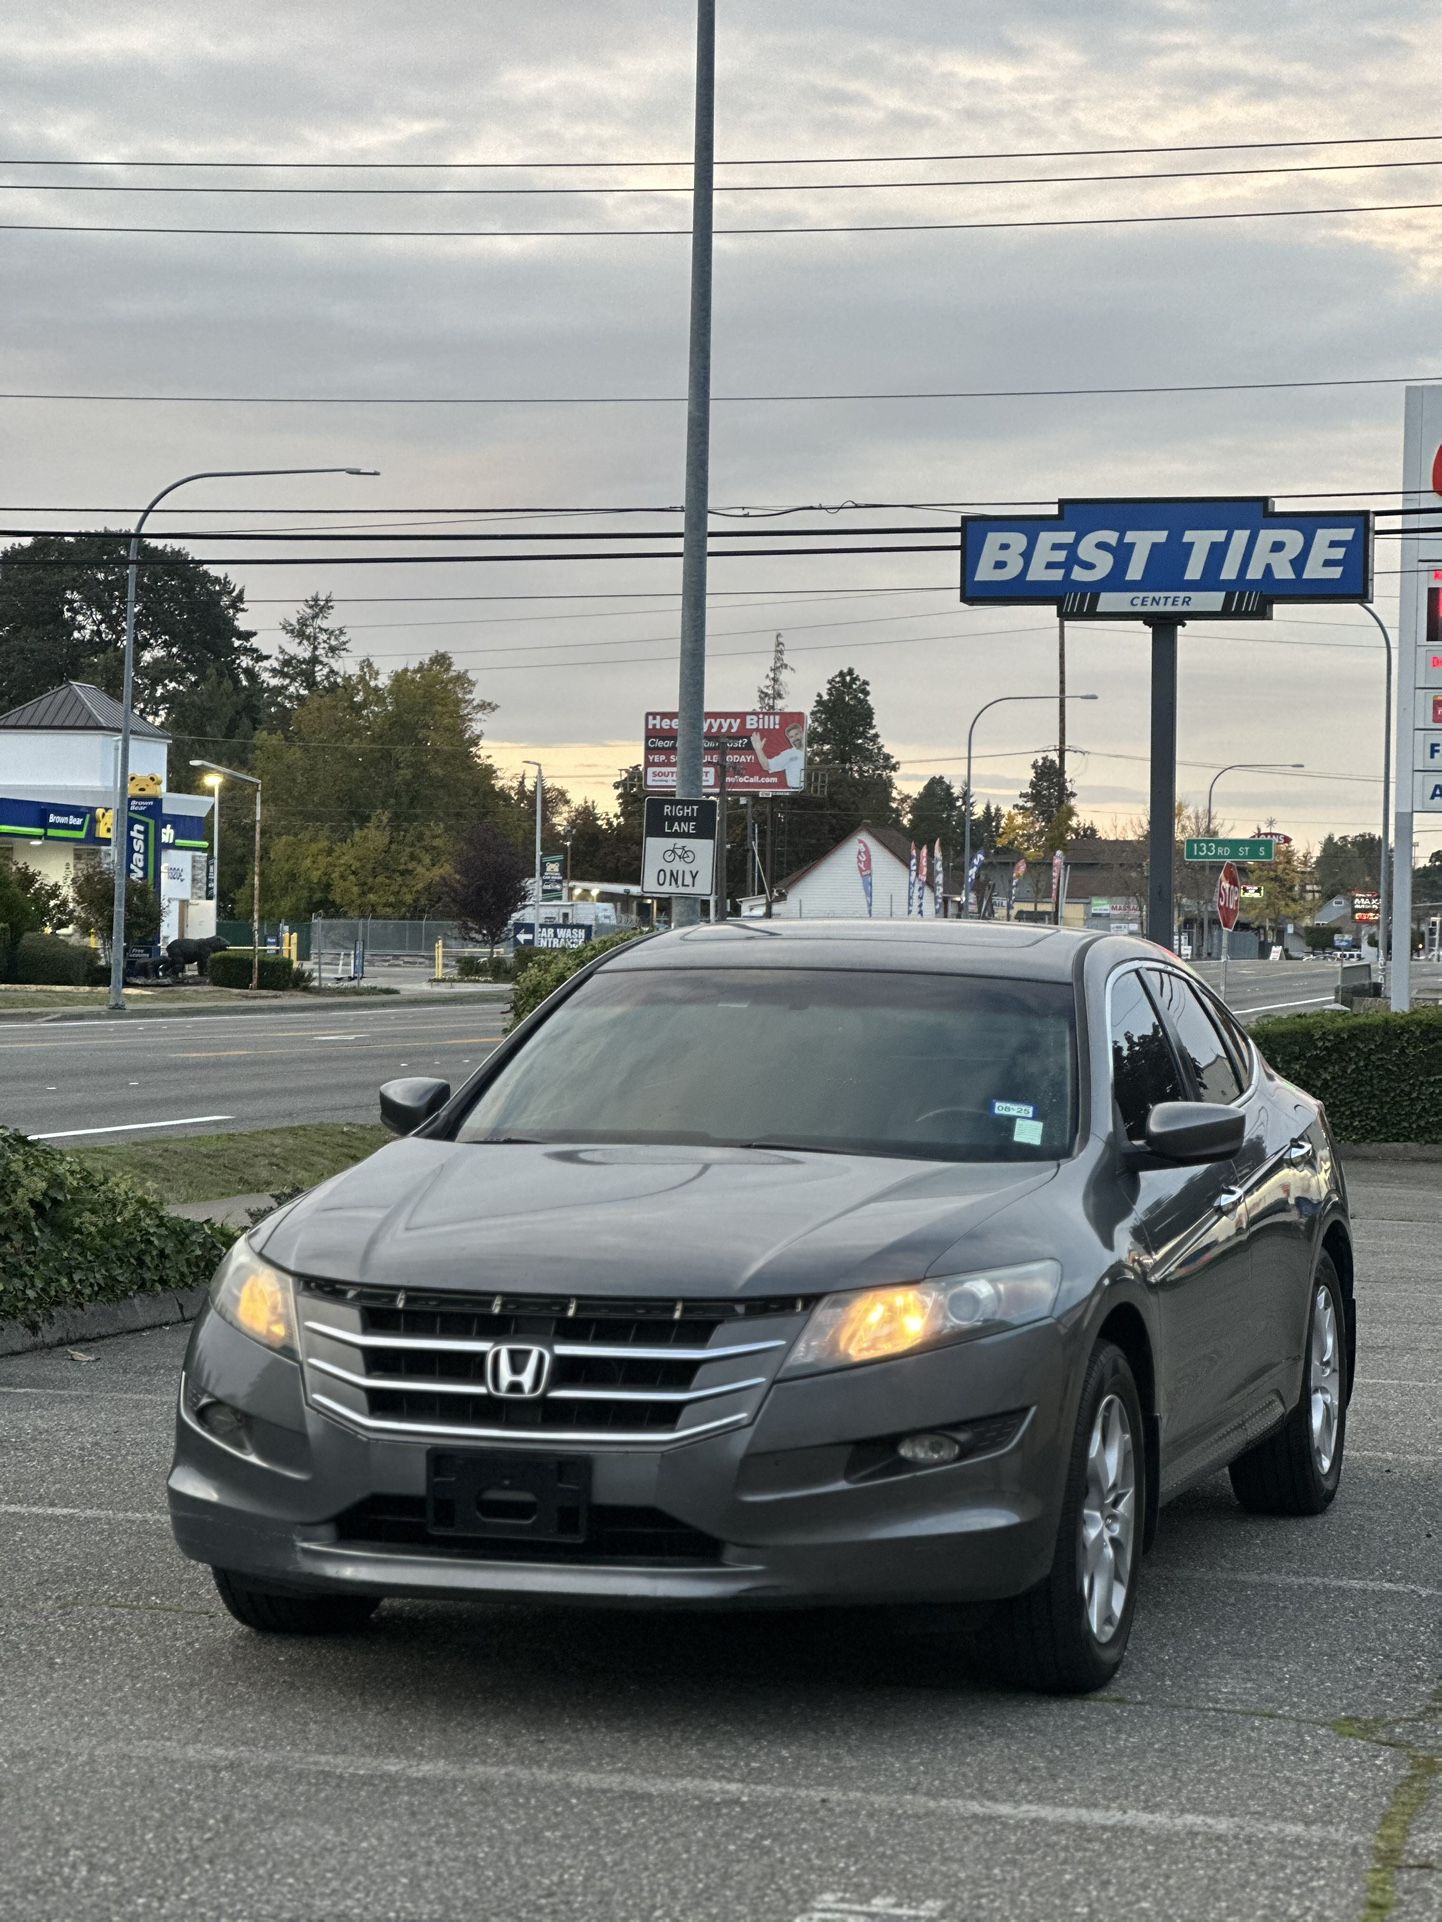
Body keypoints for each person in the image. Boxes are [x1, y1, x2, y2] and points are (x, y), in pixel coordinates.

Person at [750, 718, 806, 790]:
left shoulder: (811, 748)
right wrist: (758, 750)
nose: (795, 738)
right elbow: (767, 766)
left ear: (802, 733)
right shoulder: (788, 754)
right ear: (789, 739)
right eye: (791, 737)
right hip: (797, 792)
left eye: (796, 734)